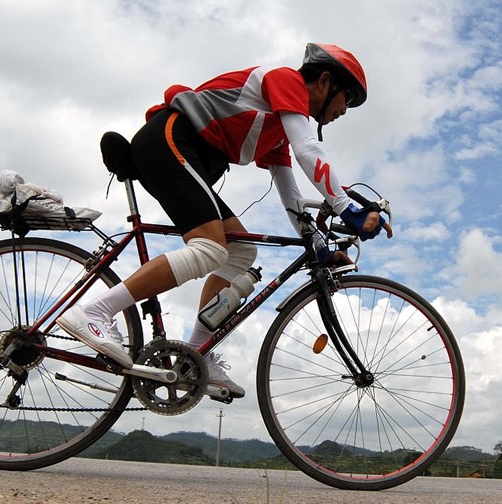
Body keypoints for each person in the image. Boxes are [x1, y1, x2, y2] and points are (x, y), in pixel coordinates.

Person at [57, 43, 392, 399]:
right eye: (348, 99)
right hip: (171, 138)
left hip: (184, 152)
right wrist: (349, 210)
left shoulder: (278, 127)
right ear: (324, 82)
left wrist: (318, 245)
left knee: (241, 251)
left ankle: (195, 359)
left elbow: (289, 192)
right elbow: (309, 151)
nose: (345, 110)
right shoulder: (286, 81)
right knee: (210, 248)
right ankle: (95, 311)